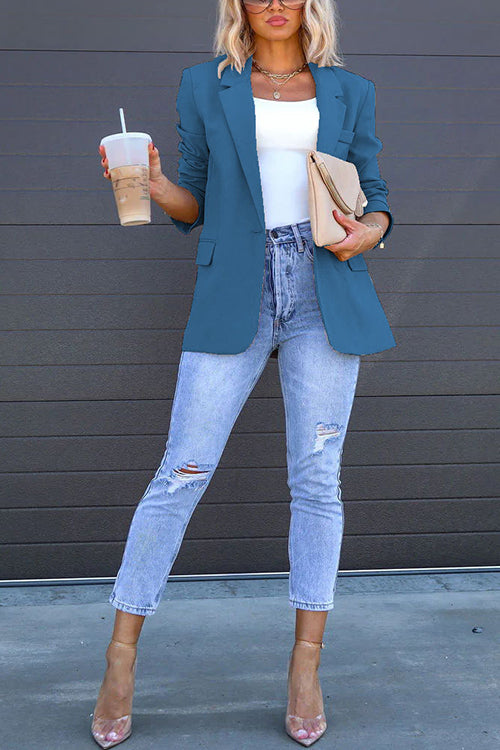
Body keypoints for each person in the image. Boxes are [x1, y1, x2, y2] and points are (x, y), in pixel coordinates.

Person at [92, 0, 395, 746]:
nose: (276, 3)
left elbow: (377, 198)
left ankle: (305, 664)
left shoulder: (350, 91)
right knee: (181, 471)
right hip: (237, 286)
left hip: (324, 285)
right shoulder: (206, 84)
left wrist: (370, 232)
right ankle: (121, 657)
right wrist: (154, 181)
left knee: (317, 480)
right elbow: (192, 202)